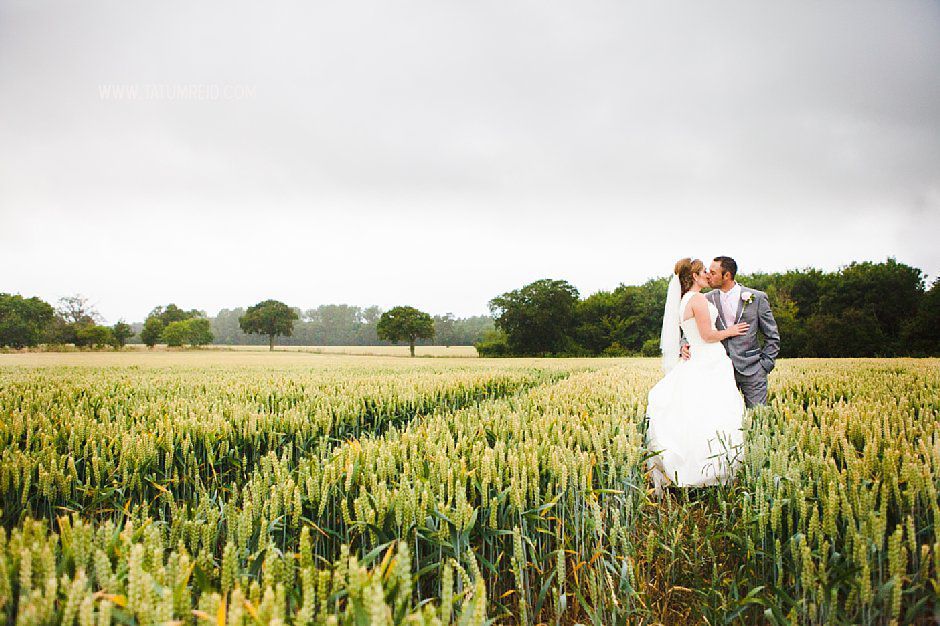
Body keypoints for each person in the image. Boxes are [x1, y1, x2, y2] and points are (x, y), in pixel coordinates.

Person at [645, 258, 748, 496]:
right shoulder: (699, 299)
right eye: (703, 272)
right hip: (709, 359)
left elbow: (692, 334)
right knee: (713, 414)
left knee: (697, 414)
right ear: (693, 276)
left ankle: (699, 470)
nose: (707, 275)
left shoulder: (684, 301)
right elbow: (708, 335)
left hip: (698, 358)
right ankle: (707, 472)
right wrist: (731, 331)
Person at [680, 256, 780, 408]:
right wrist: (684, 344)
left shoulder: (757, 298)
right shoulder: (704, 298)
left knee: (758, 417)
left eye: (713, 273)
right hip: (716, 370)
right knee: (724, 420)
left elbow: (772, 336)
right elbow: (690, 327)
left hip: (752, 371)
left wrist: (765, 365)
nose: (708, 275)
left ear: (726, 275)